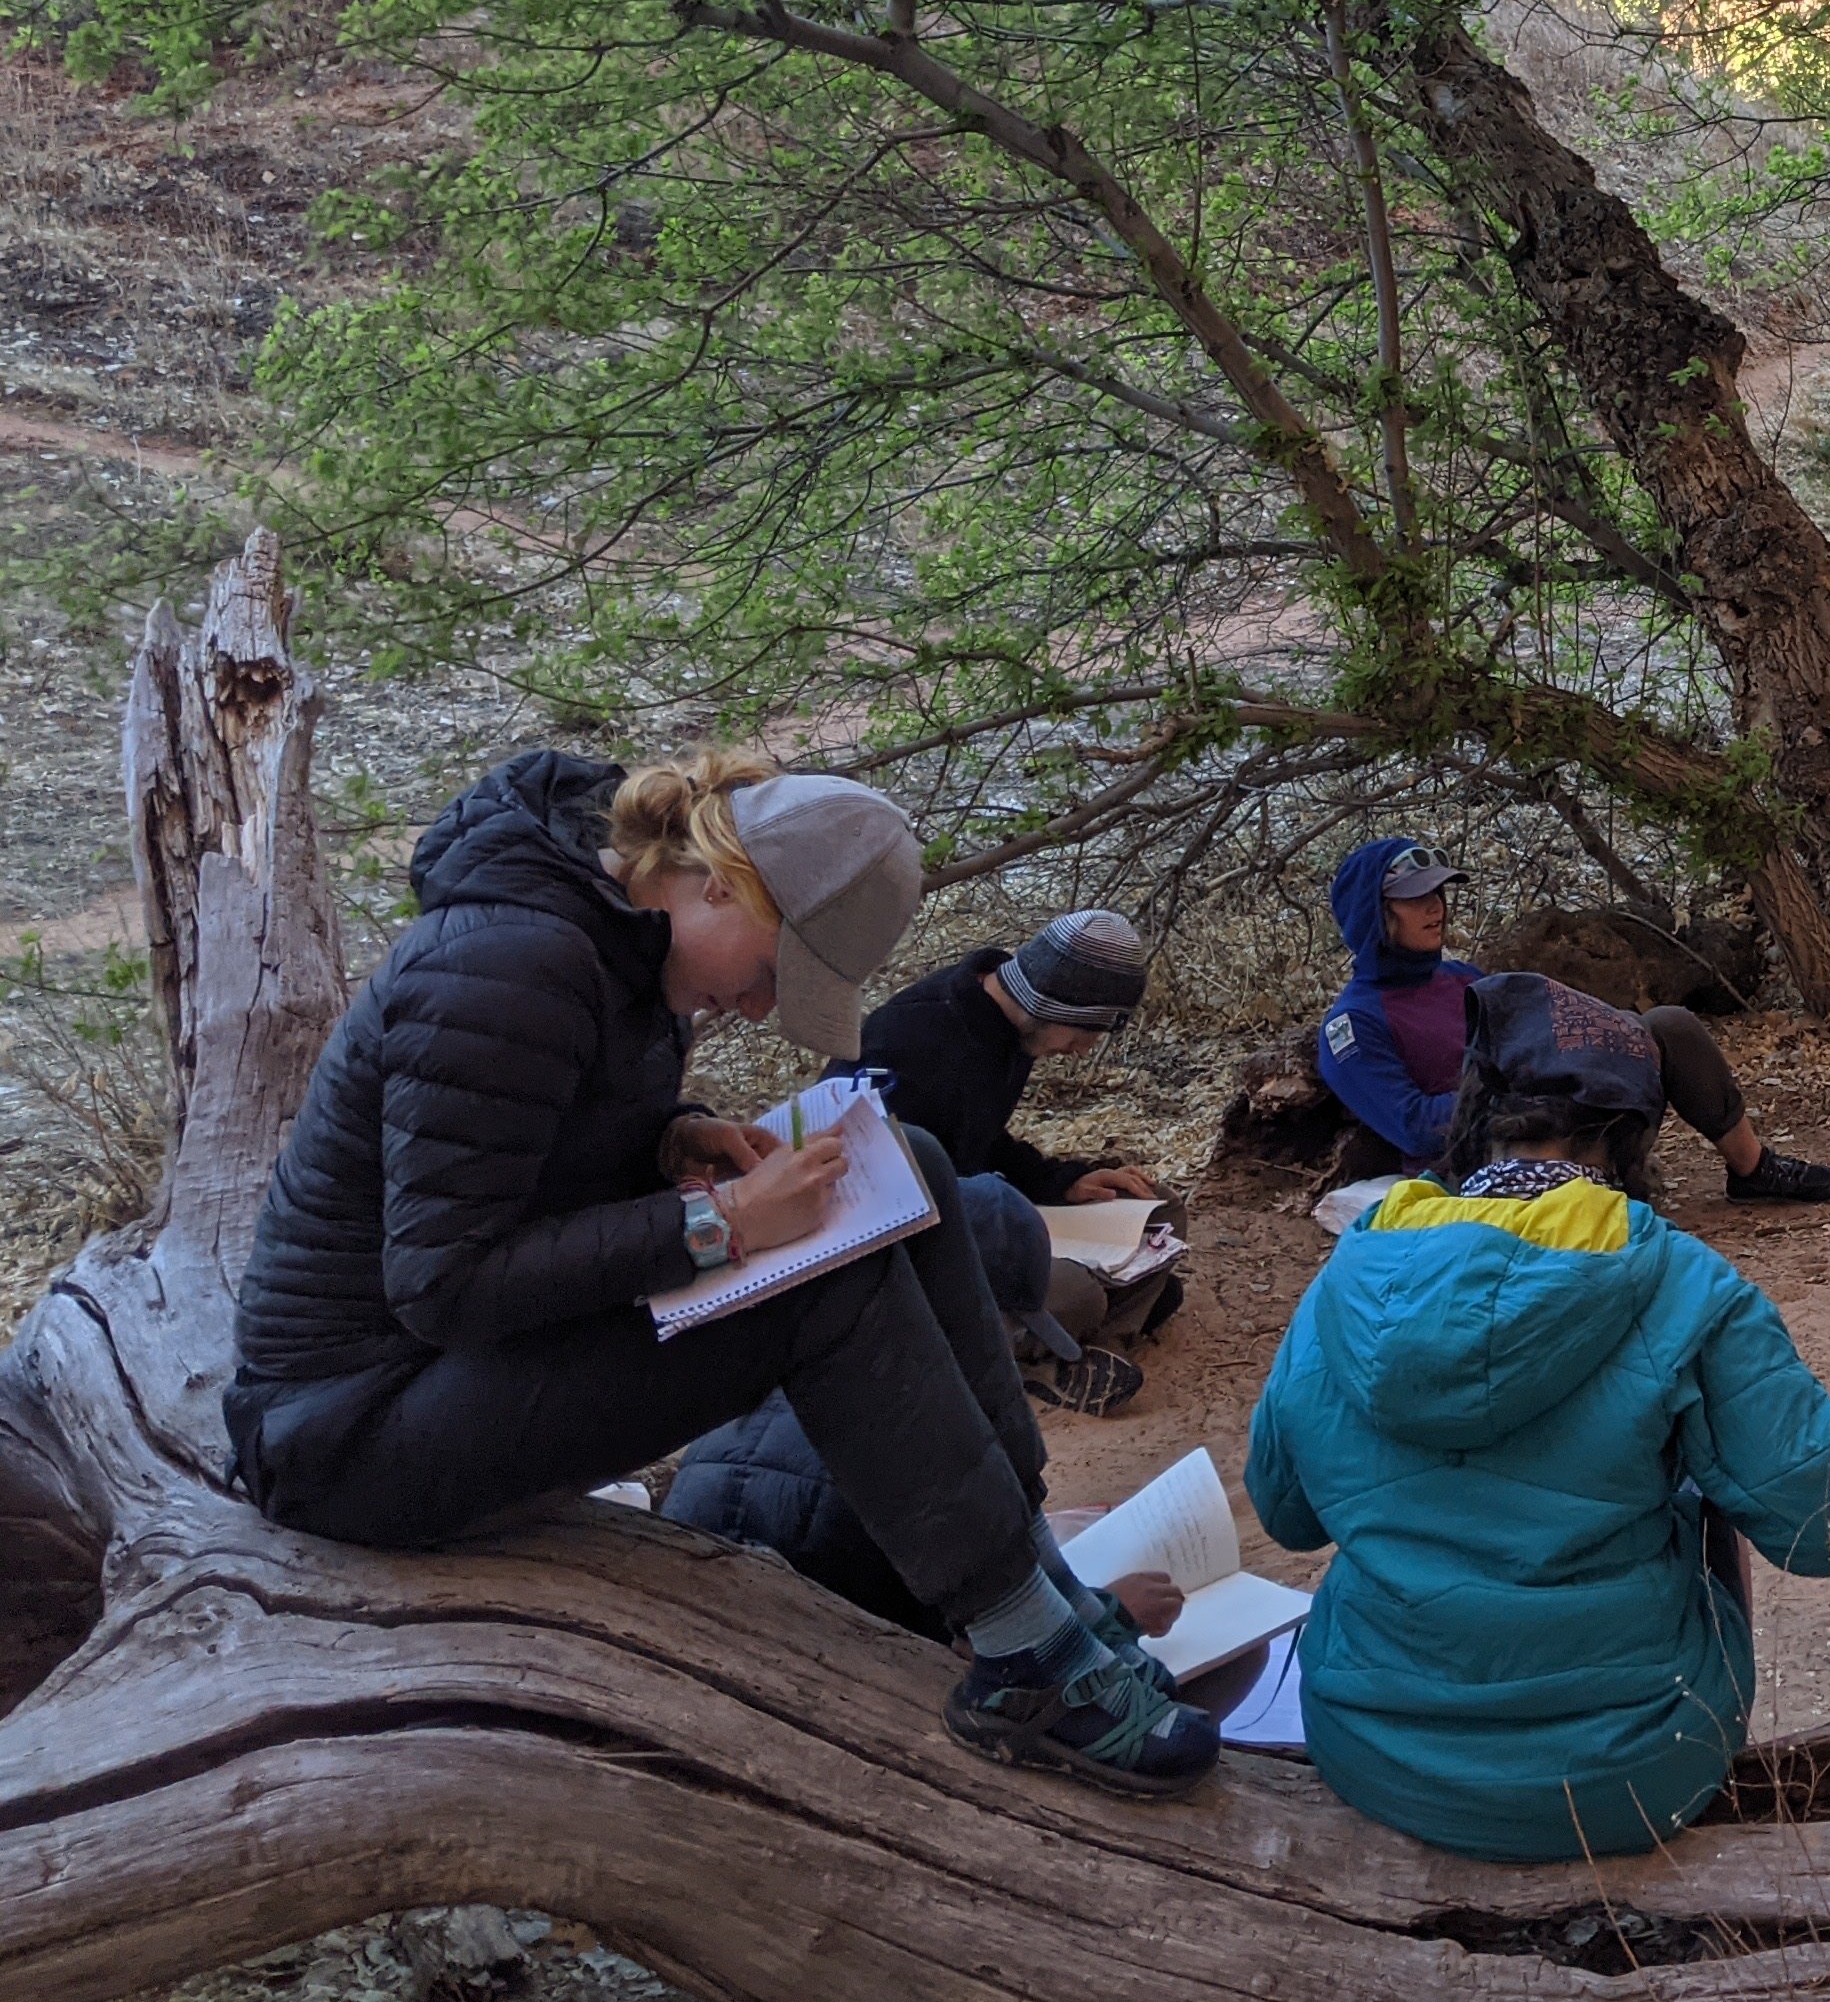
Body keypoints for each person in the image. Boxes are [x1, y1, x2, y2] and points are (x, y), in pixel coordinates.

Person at [222, 749, 1216, 1795]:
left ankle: (1036, 1577)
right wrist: (719, 1224)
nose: (756, 1009)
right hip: (350, 1436)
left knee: (904, 1165)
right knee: (822, 1275)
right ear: (719, 884)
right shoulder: (513, 966)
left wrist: (674, 1139)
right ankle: (1024, 1654)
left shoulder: (611, 948)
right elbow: (442, 1281)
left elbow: (536, 1147)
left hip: (431, 1376)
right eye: (777, 976)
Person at [1244, 976, 1830, 1858]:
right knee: (1694, 1498)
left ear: (1482, 1108)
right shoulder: (1686, 1283)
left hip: (1371, 1747)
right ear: (1635, 1133)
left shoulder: (1355, 1273)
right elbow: (1824, 1529)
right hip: (1631, 1771)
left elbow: (1287, 1512)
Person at [665, 1180, 1185, 1651]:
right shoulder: (940, 1454)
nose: (1011, 1352)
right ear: (973, 1319)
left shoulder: (773, 1375)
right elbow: (1004, 1653)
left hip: (674, 1625)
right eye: (1015, 1335)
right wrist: (1117, 1614)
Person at [1314, 836, 1830, 1204]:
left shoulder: (1463, 978)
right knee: (1555, 1105)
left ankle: (1752, 1169)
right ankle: (1600, 1198)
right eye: (1414, 899)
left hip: (1557, 1114)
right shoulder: (1352, 1026)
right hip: (1482, 1160)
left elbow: (1540, 1034)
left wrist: (1599, 1047)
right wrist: (1521, 1097)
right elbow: (1413, 1126)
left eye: (1438, 892)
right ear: (1373, 915)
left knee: (1668, 1025)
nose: (1436, 907)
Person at [859, 907, 1177, 1408]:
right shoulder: (906, 1036)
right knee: (1081, 1293)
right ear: (1049, 1002)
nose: (1080, 1051)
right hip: (924, 1253)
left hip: (994, 1219)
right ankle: (1050, 1349)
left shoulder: (1014, 1034)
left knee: (1159, 1208)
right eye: (1081, 1033)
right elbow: (865, 1188)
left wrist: (1063, 1182)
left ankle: (1082, 1345)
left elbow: (980, 1139)